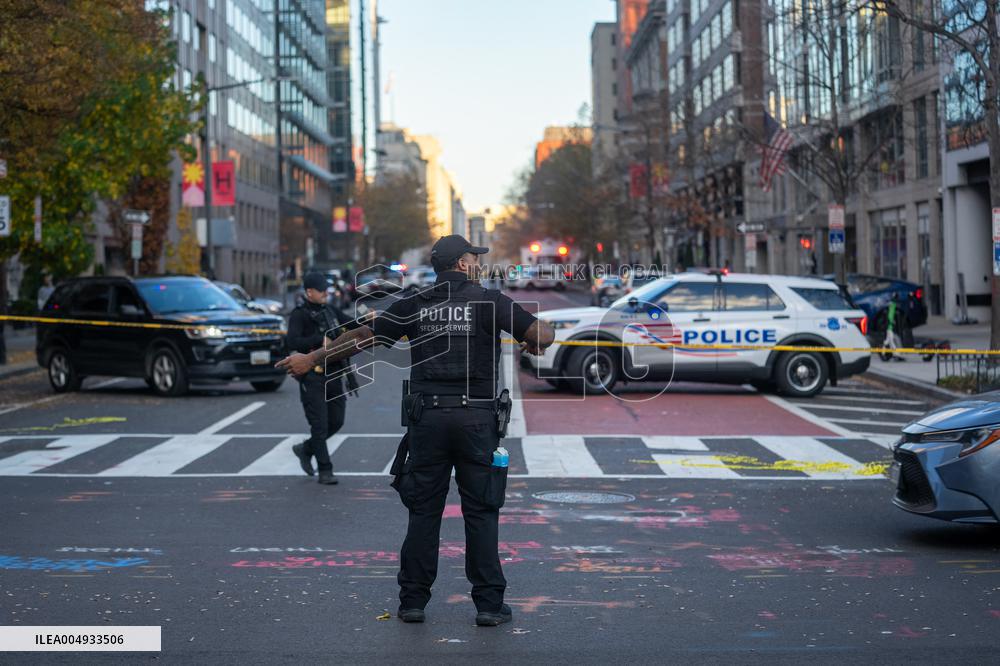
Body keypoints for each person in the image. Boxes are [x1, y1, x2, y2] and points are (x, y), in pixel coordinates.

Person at [277, 235, 555, 627]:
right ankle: (489, 606)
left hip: (428, 421)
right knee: (482, 512)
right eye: (474, 259)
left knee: (424, 512)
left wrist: (311, 358)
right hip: (477, 421)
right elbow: (542, 335)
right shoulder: (490, 302)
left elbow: (362, 338)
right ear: (461, 264)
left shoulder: (415, 304)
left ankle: (412, 601)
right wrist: (533, 341)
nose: (477, 264)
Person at [285, 272, 362, 485]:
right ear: (309, 292)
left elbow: (351, 323)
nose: (325, 293)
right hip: (313, 377)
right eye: (321, 290)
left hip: (335, 374)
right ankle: (325, 470)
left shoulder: (330, 310)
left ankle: (306, 449)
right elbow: (292, 341)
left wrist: (369, 319)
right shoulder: (299, 315)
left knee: (336, 421)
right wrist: (320, 339)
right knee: (319, 425)